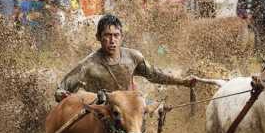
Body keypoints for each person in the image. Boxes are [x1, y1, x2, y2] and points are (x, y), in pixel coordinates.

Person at [55, 14, 197, 102]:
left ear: (121, 37)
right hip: (102, 114)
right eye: (107, 35)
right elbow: (61, 89)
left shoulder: (133, 57)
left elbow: (155, 75)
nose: (112, 40)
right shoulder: (88, 65)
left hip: (129, 111)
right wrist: (61, 94)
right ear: (98, 37)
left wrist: (182, 82)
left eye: (116, 35)